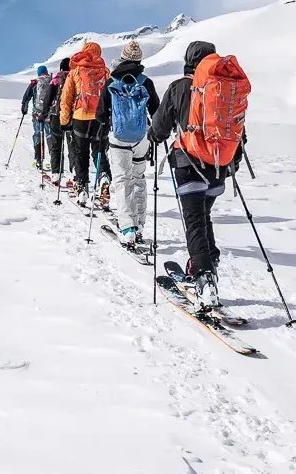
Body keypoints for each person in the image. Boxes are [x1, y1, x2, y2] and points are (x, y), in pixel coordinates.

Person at [134, 40, 249, 311]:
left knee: (194, 220)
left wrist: (152, 136)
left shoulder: (179, 87)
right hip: (220, 167)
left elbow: (160, 127)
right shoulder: (224, 89)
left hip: (189, 164)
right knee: (203, 216)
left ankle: (204, 278)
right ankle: (208, 262)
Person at [103, 40, 159, 245]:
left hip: (118, 138)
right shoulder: (146, 82)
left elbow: (101, 113)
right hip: (141, 138)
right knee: (138, 178)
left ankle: (127, 229)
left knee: (122, 180)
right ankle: (140, 224)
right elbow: (156, 111)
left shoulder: (111, 82)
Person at [58, 41, 110, 199]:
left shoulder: (76, 70)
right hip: (100, 118)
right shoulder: (105, 71)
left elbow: (66, 97)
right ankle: (103, 178)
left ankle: (81, 187)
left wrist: (64, 120)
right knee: (99, 151)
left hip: (80, 117)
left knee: (81, 153)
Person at [41, 57, 70, 181]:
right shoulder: (74, 78)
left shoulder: (55, 80)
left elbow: (48, 98)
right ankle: (75, 175)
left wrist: (44, 113)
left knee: (56, 145)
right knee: (73, 146)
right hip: (71, 117)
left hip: (56, 116)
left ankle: (56, 174)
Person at [20, 65, 49, 168]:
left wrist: (24, 108)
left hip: (36, 114)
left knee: (37, 134)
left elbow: (26, 97)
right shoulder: (51, 81)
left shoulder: (34, 83)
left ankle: (38, 160)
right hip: (49, 115)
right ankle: (53, 162)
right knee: (50, 136)